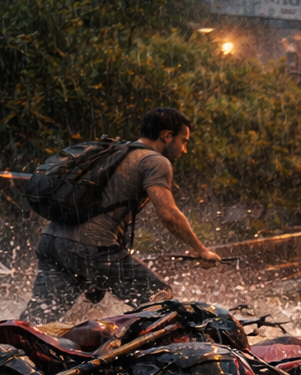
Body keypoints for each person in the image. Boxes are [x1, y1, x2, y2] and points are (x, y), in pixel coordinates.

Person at [23, 106, 220, 321]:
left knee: (38, 319)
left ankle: (3, 345)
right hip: (91, 249)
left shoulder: (115, 150)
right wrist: (201, 250)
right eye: (184, 141)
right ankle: (138, 353)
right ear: (166, 136)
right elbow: (169, 214)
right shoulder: (156, 162)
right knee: (159, 300)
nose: (184, 149)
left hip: (52, 241)